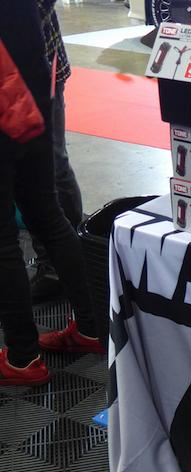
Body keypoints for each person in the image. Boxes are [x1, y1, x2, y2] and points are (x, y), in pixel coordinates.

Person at [0, 0, 102, 388]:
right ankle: (92, 327)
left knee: (4, 238)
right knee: (47, 212)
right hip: (34, 84)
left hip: (9, 94)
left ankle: (22, 357)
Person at [30, 0, 84, 302]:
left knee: (51, 165)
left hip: (37, 69)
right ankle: (52, 262)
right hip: (16, 72)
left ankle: (70, 258)